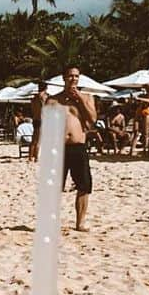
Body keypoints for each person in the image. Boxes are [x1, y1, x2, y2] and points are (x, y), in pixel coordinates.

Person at [56, 67, 97, 231]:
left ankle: (80, 223)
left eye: (76, 76)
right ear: (64, 78)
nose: (73, 79)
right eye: (70, 76)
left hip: (78, 146)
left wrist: (79, 98)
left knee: (84, 186)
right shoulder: (54, 99)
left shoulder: (87, 97)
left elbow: (92, 119)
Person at [130, 83, 149, 156]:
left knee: (145, 133)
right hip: (139, 114)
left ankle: (145, 150)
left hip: (146, 114)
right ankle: (132, 150)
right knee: (135, 132)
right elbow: (133, 103)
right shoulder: (142, 96)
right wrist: (133, 99)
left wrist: (138, 98)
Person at [29, 82, 49, 162]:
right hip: (42, 119)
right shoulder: (44, 97)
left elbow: (33, 109)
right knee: (39, 140)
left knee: (34, 139)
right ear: (46, 88)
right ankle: (36, 157)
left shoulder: (34, 98)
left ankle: (30, 156)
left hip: (35, 119)